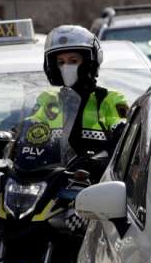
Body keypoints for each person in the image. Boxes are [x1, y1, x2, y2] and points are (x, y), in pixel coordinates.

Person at [31, 25, 129, 180]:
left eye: (73, 60)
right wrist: (5, 139)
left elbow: (125, 137)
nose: (66, 66)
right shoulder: (49, 100)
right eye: (60, 62)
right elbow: (30, 129)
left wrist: (101, 157)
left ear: (90, 61)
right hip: (51, 181)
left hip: (94, 182)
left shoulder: (108, 100)